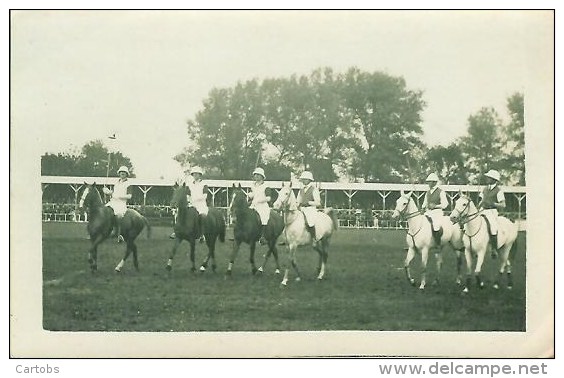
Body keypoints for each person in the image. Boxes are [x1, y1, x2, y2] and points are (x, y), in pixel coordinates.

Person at [170, 166, 209, 241]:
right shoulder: (189, 184)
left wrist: (195, 199)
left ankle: (202, 235)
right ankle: (176, 231)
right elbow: (188, 195)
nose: (195, 175)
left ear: (200, 175)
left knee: (202, 217)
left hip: (201, 205)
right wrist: (189, 200)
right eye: (194, 174)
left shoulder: (204, 184)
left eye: (196, 174)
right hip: (191, 204)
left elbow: (205, 196)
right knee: (180, 213)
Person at [478, 169, 506, 252]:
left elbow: (503, 205)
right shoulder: (484, 189)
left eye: (489, 177)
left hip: (492, 212)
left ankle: (494, 248)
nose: (487, 179)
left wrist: (493, 204)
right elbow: (482, 200)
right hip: (483, 210)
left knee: (493, 228)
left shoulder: (499, 191)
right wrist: (477, 208)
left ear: (493, 179)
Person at [103, 166, 132, 242]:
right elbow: (112, 192)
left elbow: (129, 196)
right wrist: (106, 191)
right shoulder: (116, 183)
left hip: (121, 204)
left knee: (119, 217)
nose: (122, 173)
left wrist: (119, 196)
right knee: (103, 212)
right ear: (119, 173)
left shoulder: (128, 184)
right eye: (121, 172)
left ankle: (120, 234)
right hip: (112, 202)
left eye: (124, 172)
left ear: (126, 174)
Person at [421, 172, 449, 246]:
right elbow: (424, 203)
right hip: (428, 212)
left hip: (437, 213)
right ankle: (417, 244)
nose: (428, 183)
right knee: (419, 223)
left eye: (429, 182)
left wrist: (436, 206)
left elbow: (445, 204)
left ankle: (437, 244)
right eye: (428, 182)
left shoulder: (441, 192)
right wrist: (423, 208)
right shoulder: (427, 192)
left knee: (436, 227)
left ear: (434, 182)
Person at [248, 167, 272, 245]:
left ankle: (263, 236)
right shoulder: (253, 185)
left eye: (258, 175)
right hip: (253, 205)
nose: (256, 176)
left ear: (262, 176)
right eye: (255, 175)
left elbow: (268, 198)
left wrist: (260, 200)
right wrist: (251, 195)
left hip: (263, 206)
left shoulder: (266, 186)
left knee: (263, 217)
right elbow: (253, 195)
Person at [296, 171, 322, 241]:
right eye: (303, 179)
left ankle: (314, 238)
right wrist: (297, 205)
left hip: (310, 209)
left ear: (309, 180)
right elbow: (298, 200)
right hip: (301, 209)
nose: (303, 181)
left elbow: (318, 203)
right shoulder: (301, 190)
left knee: (310, 221)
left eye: (305, 179)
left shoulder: (314, 189)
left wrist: (308, 202)